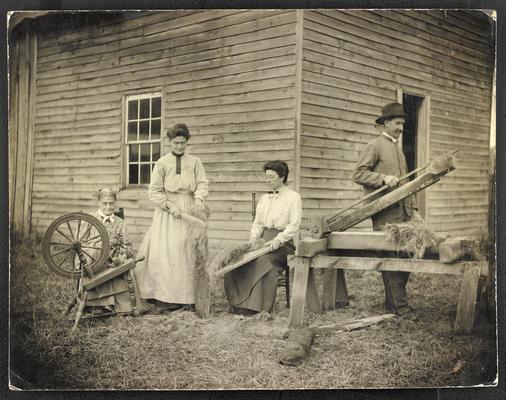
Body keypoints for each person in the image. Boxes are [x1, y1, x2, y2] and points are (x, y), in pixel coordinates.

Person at [352, 102, 422, 317]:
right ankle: (400, 307)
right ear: (386, 123)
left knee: (407, 255)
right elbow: (358, 174)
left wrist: (415, 209)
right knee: (391, 257)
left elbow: (409, 185)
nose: (401, 128)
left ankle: (393, 302)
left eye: (402, 124)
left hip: (404, 214)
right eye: (397, 123)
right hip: (385, 214)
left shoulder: (399, 151)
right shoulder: (375, 146)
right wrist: (383, 178)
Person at [134, 123, 209, 314]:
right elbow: (154, 191)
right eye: (176, 143)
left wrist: (199, 199)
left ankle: (187, 299)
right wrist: (169, 205)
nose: (179, 146)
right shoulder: (162, 163)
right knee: (166, 252)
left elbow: (202, 183)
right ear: (170, 142)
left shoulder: (195, 162)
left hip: (189, 210)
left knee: (186, 252)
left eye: (183, 143)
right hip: (168, 213)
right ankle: (164, 298)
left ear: (187, 142)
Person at [224, 160, 302, 315]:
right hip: (262, 243)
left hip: (283, 245)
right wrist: (253, 240)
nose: (268, 181)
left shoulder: (293, 197)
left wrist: (278, 240)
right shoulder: (264, 199)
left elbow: (293, 225)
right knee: (240, 261)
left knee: (262, 262)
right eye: (266, 177)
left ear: (282, 177)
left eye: (271, 177)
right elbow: (258, 223)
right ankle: (239, 304)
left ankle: (258, 308)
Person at [84, 188, 138, 314]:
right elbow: (82, 245)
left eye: (111, 203)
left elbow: (128, 247)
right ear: (98, 203)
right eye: (104, 203)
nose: (108, 207)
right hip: (95, 259)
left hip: (114, 261)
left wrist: (122, 251)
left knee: (117, 265)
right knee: (98, 257)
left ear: (115, 203)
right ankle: (97, 305)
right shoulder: (89, 220)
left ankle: (120, 306)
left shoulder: (121, 223)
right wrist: (101, 246)